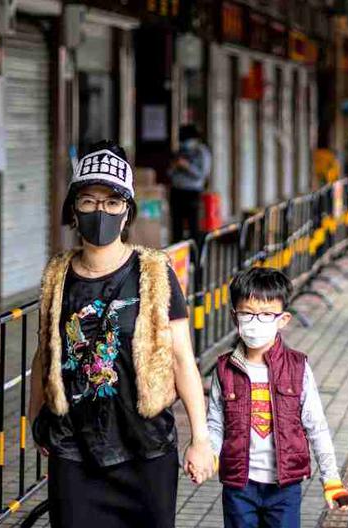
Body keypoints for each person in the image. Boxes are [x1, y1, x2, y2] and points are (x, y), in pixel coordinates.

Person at [30, 141, 215, 528]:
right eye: (89, 201)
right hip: (74, 452)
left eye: (113, 202)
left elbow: (183, 359)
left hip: (145, 452)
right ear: (74, 210)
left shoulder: (154, 272)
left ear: (127, 210)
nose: (101, 211)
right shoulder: (57, 276)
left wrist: (200, 438)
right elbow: (44, 354)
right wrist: (35, 422)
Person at [207, 268, 348, 528]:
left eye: (266, 314)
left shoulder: (297, 368)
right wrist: (206, 456)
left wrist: (331, 480)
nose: (256, 322)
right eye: (248, 314)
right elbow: (215, 424)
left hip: (284, 489)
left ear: (283, 319)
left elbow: (316, 426)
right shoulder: (224, 369)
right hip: (239, 486)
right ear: (235, 317)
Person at [168, 125, 212, 243]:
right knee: (176, 225)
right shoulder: (180, 151)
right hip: (177, 190)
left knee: (194, 225)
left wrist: (187, 166)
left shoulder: (202, 152)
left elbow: (202, 174)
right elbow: (170, 173)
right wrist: (174, 167)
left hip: (192, 192)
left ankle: (195, 255)